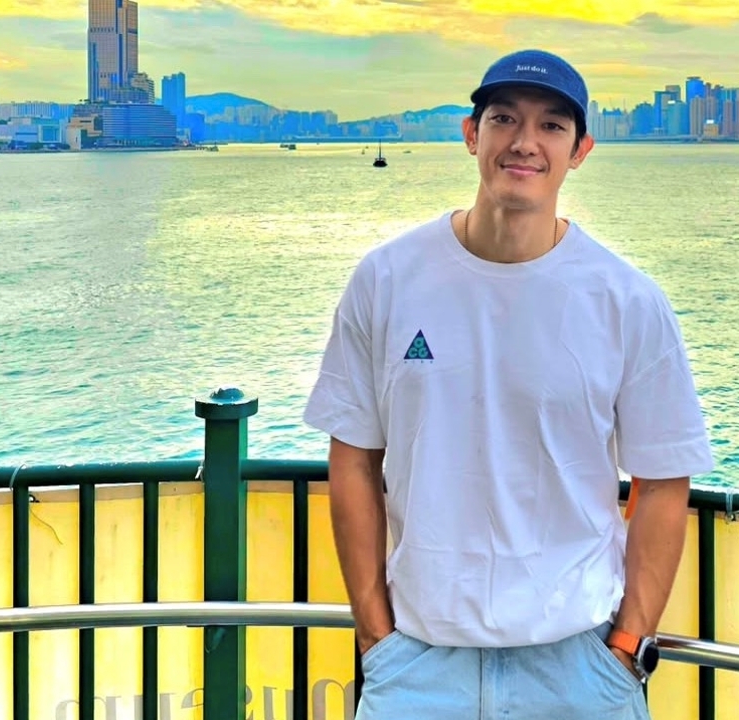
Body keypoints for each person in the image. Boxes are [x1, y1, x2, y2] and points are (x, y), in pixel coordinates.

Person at [303, 47, 714, 719]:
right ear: (472, 134)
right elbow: (352, 456)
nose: (525, 142)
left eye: (552, 125)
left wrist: (625, 646)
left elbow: (665, 478)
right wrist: (376, 636)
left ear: (580, 150)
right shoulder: (388, 279)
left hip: (578, 668)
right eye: (504, 119)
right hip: (418, 666)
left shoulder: (626, 300)